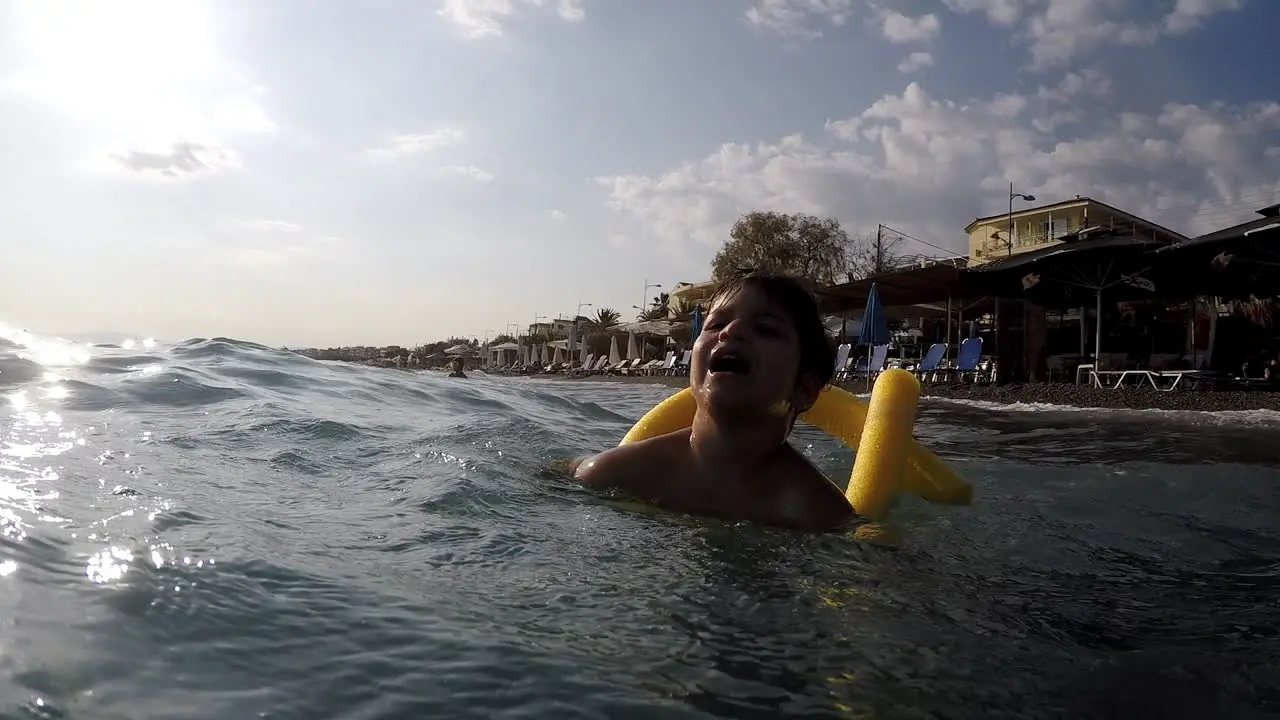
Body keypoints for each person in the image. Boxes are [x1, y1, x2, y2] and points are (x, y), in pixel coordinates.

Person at [574, 271, 855, 532]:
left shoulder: (819, 512)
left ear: (804, 389)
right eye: (717, 323)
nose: (730, 331)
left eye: (766, 329)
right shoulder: (616, 473)